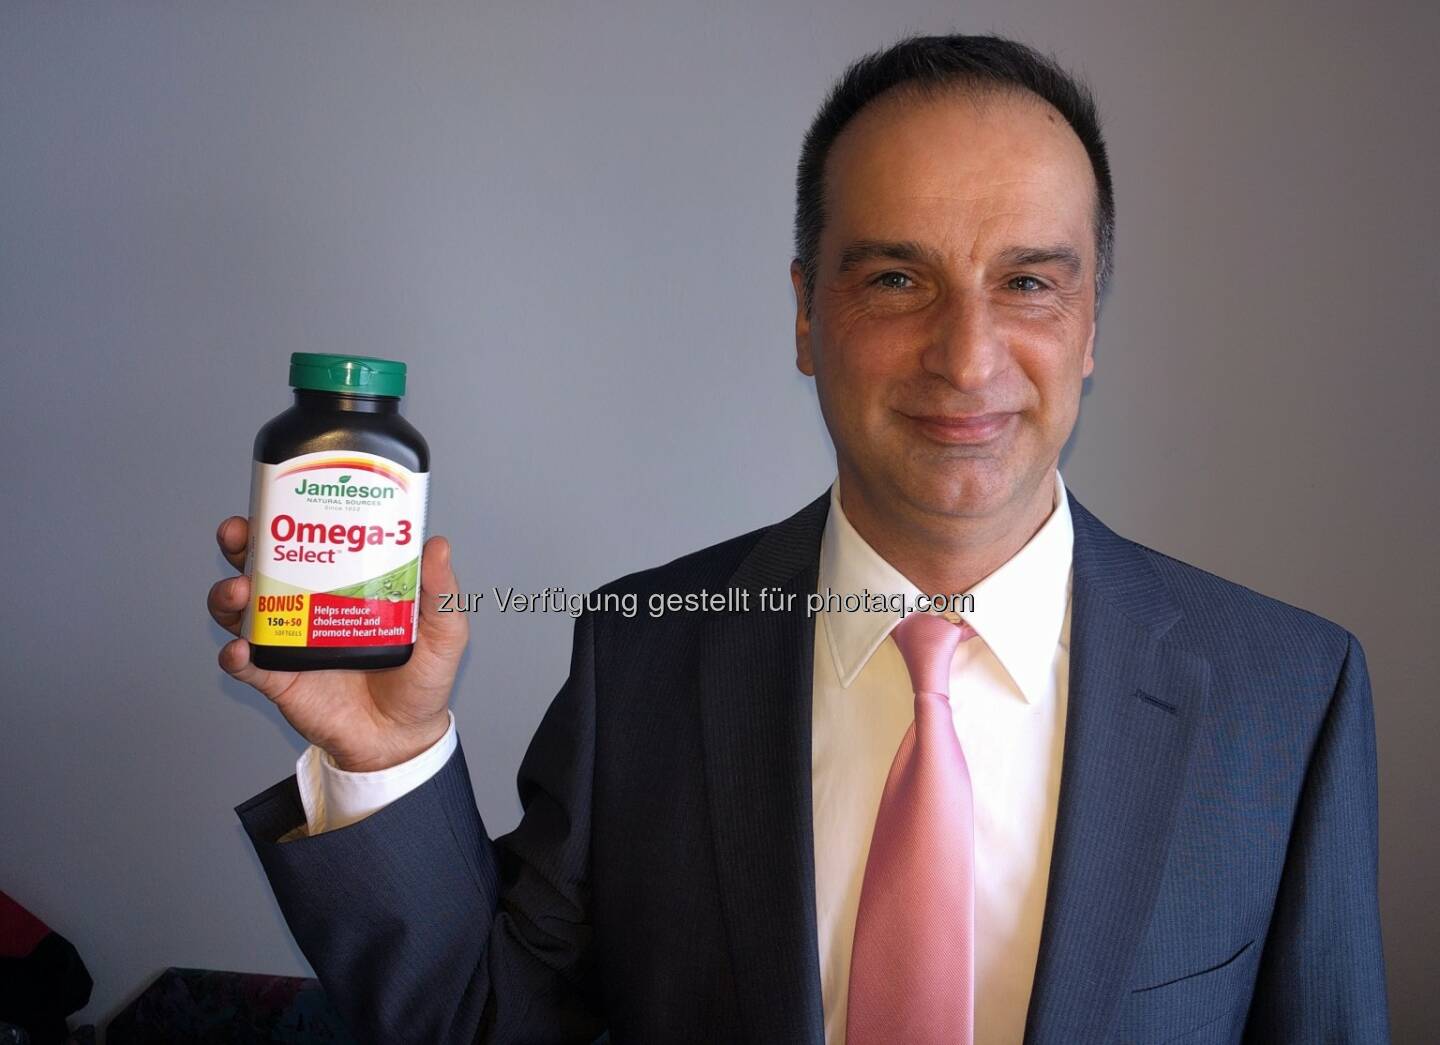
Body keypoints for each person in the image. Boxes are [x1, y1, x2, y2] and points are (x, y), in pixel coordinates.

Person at [210, 32, 1391, 1045]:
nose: (966, 357)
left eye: (1029, 283)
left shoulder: (1288, 694)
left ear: (1090, 327)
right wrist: (384, 757)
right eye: (897, 280)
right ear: (806, 316)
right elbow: (487, 1021)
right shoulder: (643, 656)